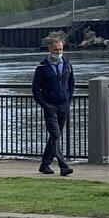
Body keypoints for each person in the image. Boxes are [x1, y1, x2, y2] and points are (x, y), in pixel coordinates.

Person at [31, 36, 75, 176]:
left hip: (64, 105)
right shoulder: (42, 67)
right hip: (50, 105)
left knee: (55, 136)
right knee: (55, 135)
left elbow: (71, 83)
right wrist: (43, 104)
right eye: (56, 49)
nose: (58, 52)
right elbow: (35, 88)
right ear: (49, 49)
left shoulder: (67, 64)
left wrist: (69, 99)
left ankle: (45, 165)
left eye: (61, 49)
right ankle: (63, 166)